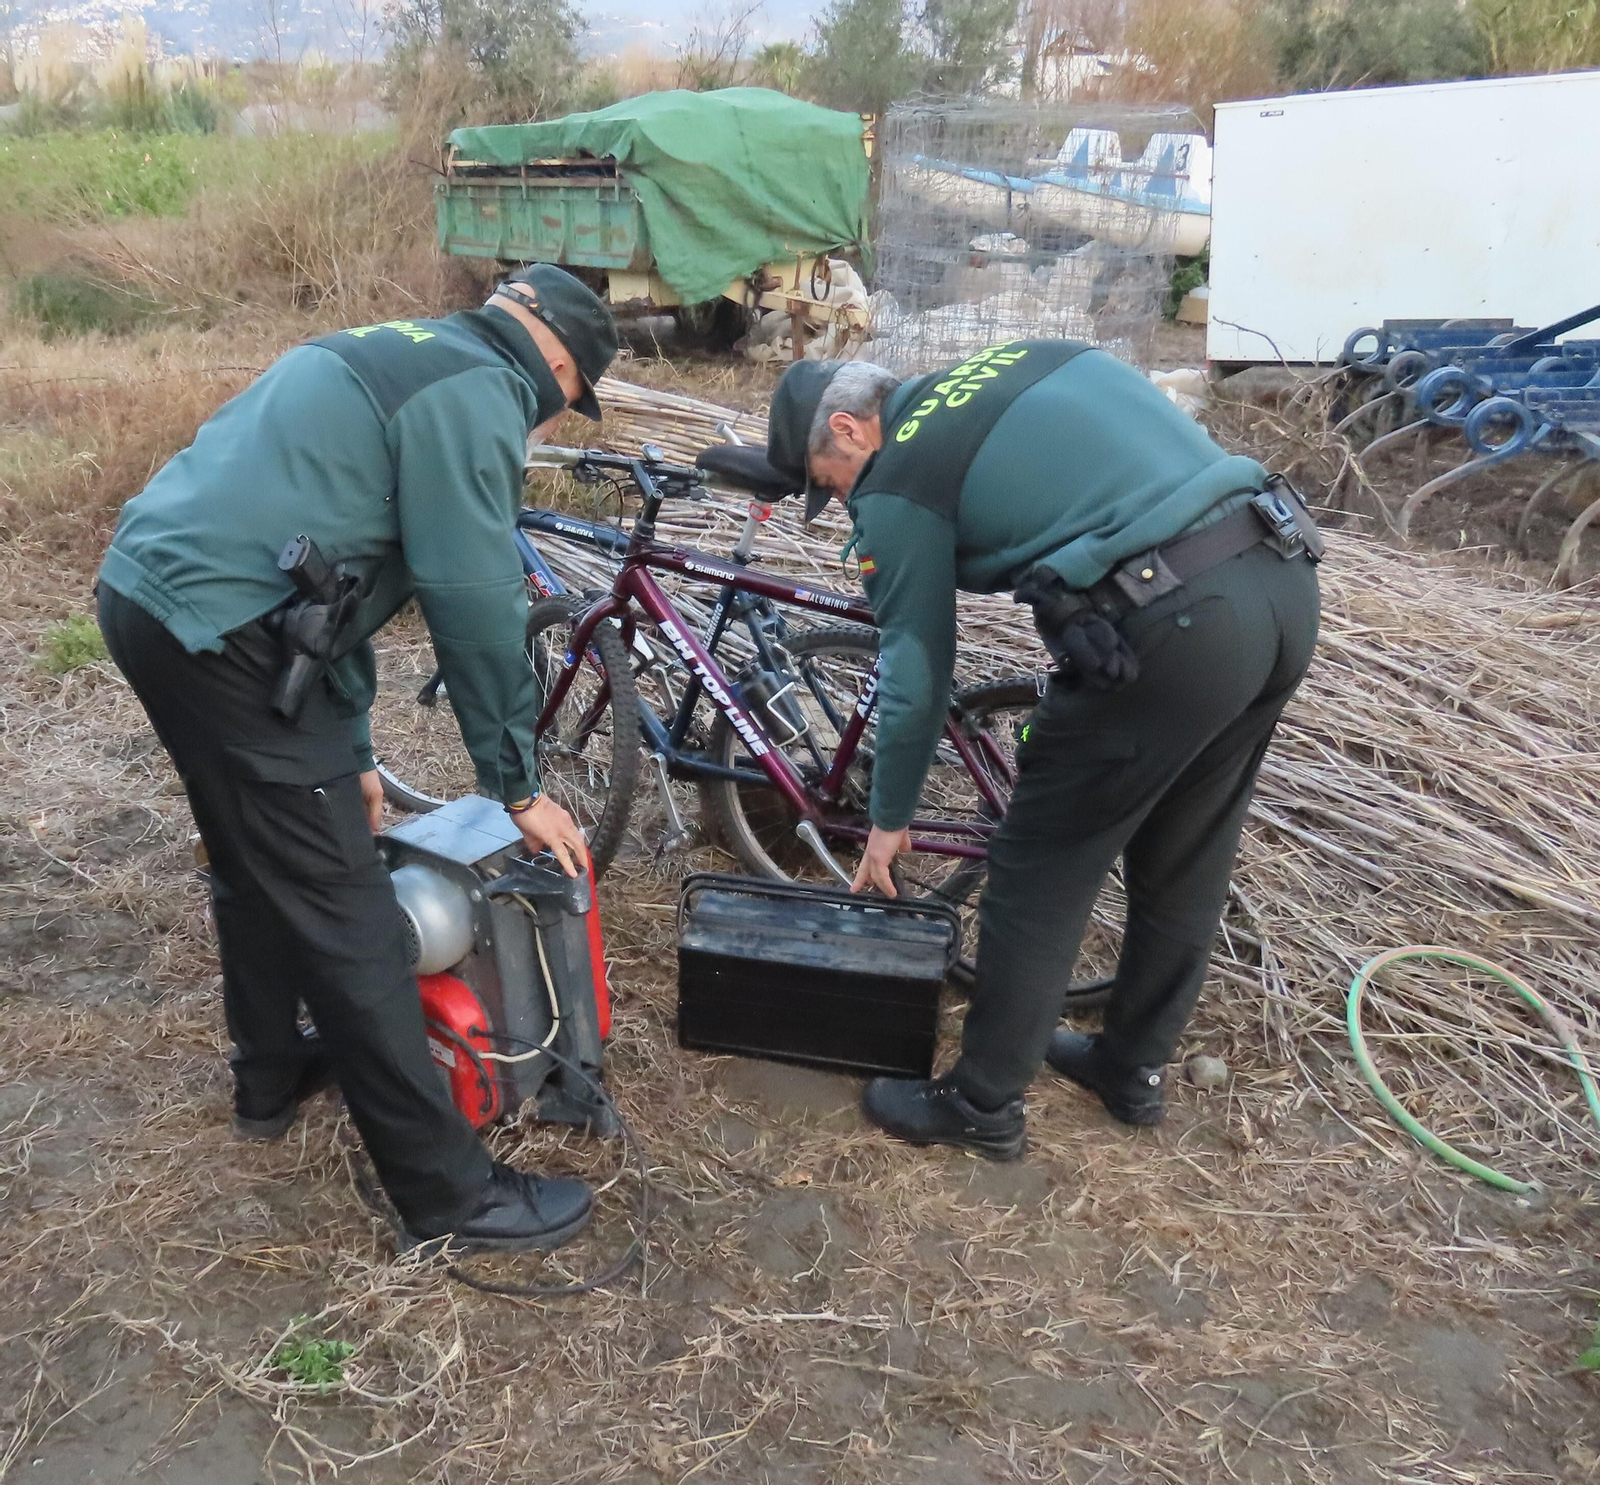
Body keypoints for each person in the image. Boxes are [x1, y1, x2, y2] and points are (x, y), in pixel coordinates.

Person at [96, 266, 620, 1250]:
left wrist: (354, 749)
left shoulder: (392, 348)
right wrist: (516, 787)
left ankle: (270, 1075)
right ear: (558, 367)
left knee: (250, 855)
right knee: (350, 916)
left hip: (149, 597)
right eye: (567, 401)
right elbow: (476, 602)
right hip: (227, 631)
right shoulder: (480, 394)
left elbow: (333, 582)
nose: (548, 422)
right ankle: (448, 1195)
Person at [763, 340, 1322, 1161]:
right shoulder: (1021, 361)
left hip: (1176, 618)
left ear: (849, 429)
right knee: (1187, 851)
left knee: (1037, 867)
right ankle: (1130, 1068)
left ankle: (982, 1102)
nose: (843, 500)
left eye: (830, 482)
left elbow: (916, 670)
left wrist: (889, 818)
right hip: (1281, 576)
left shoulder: (898, 476)